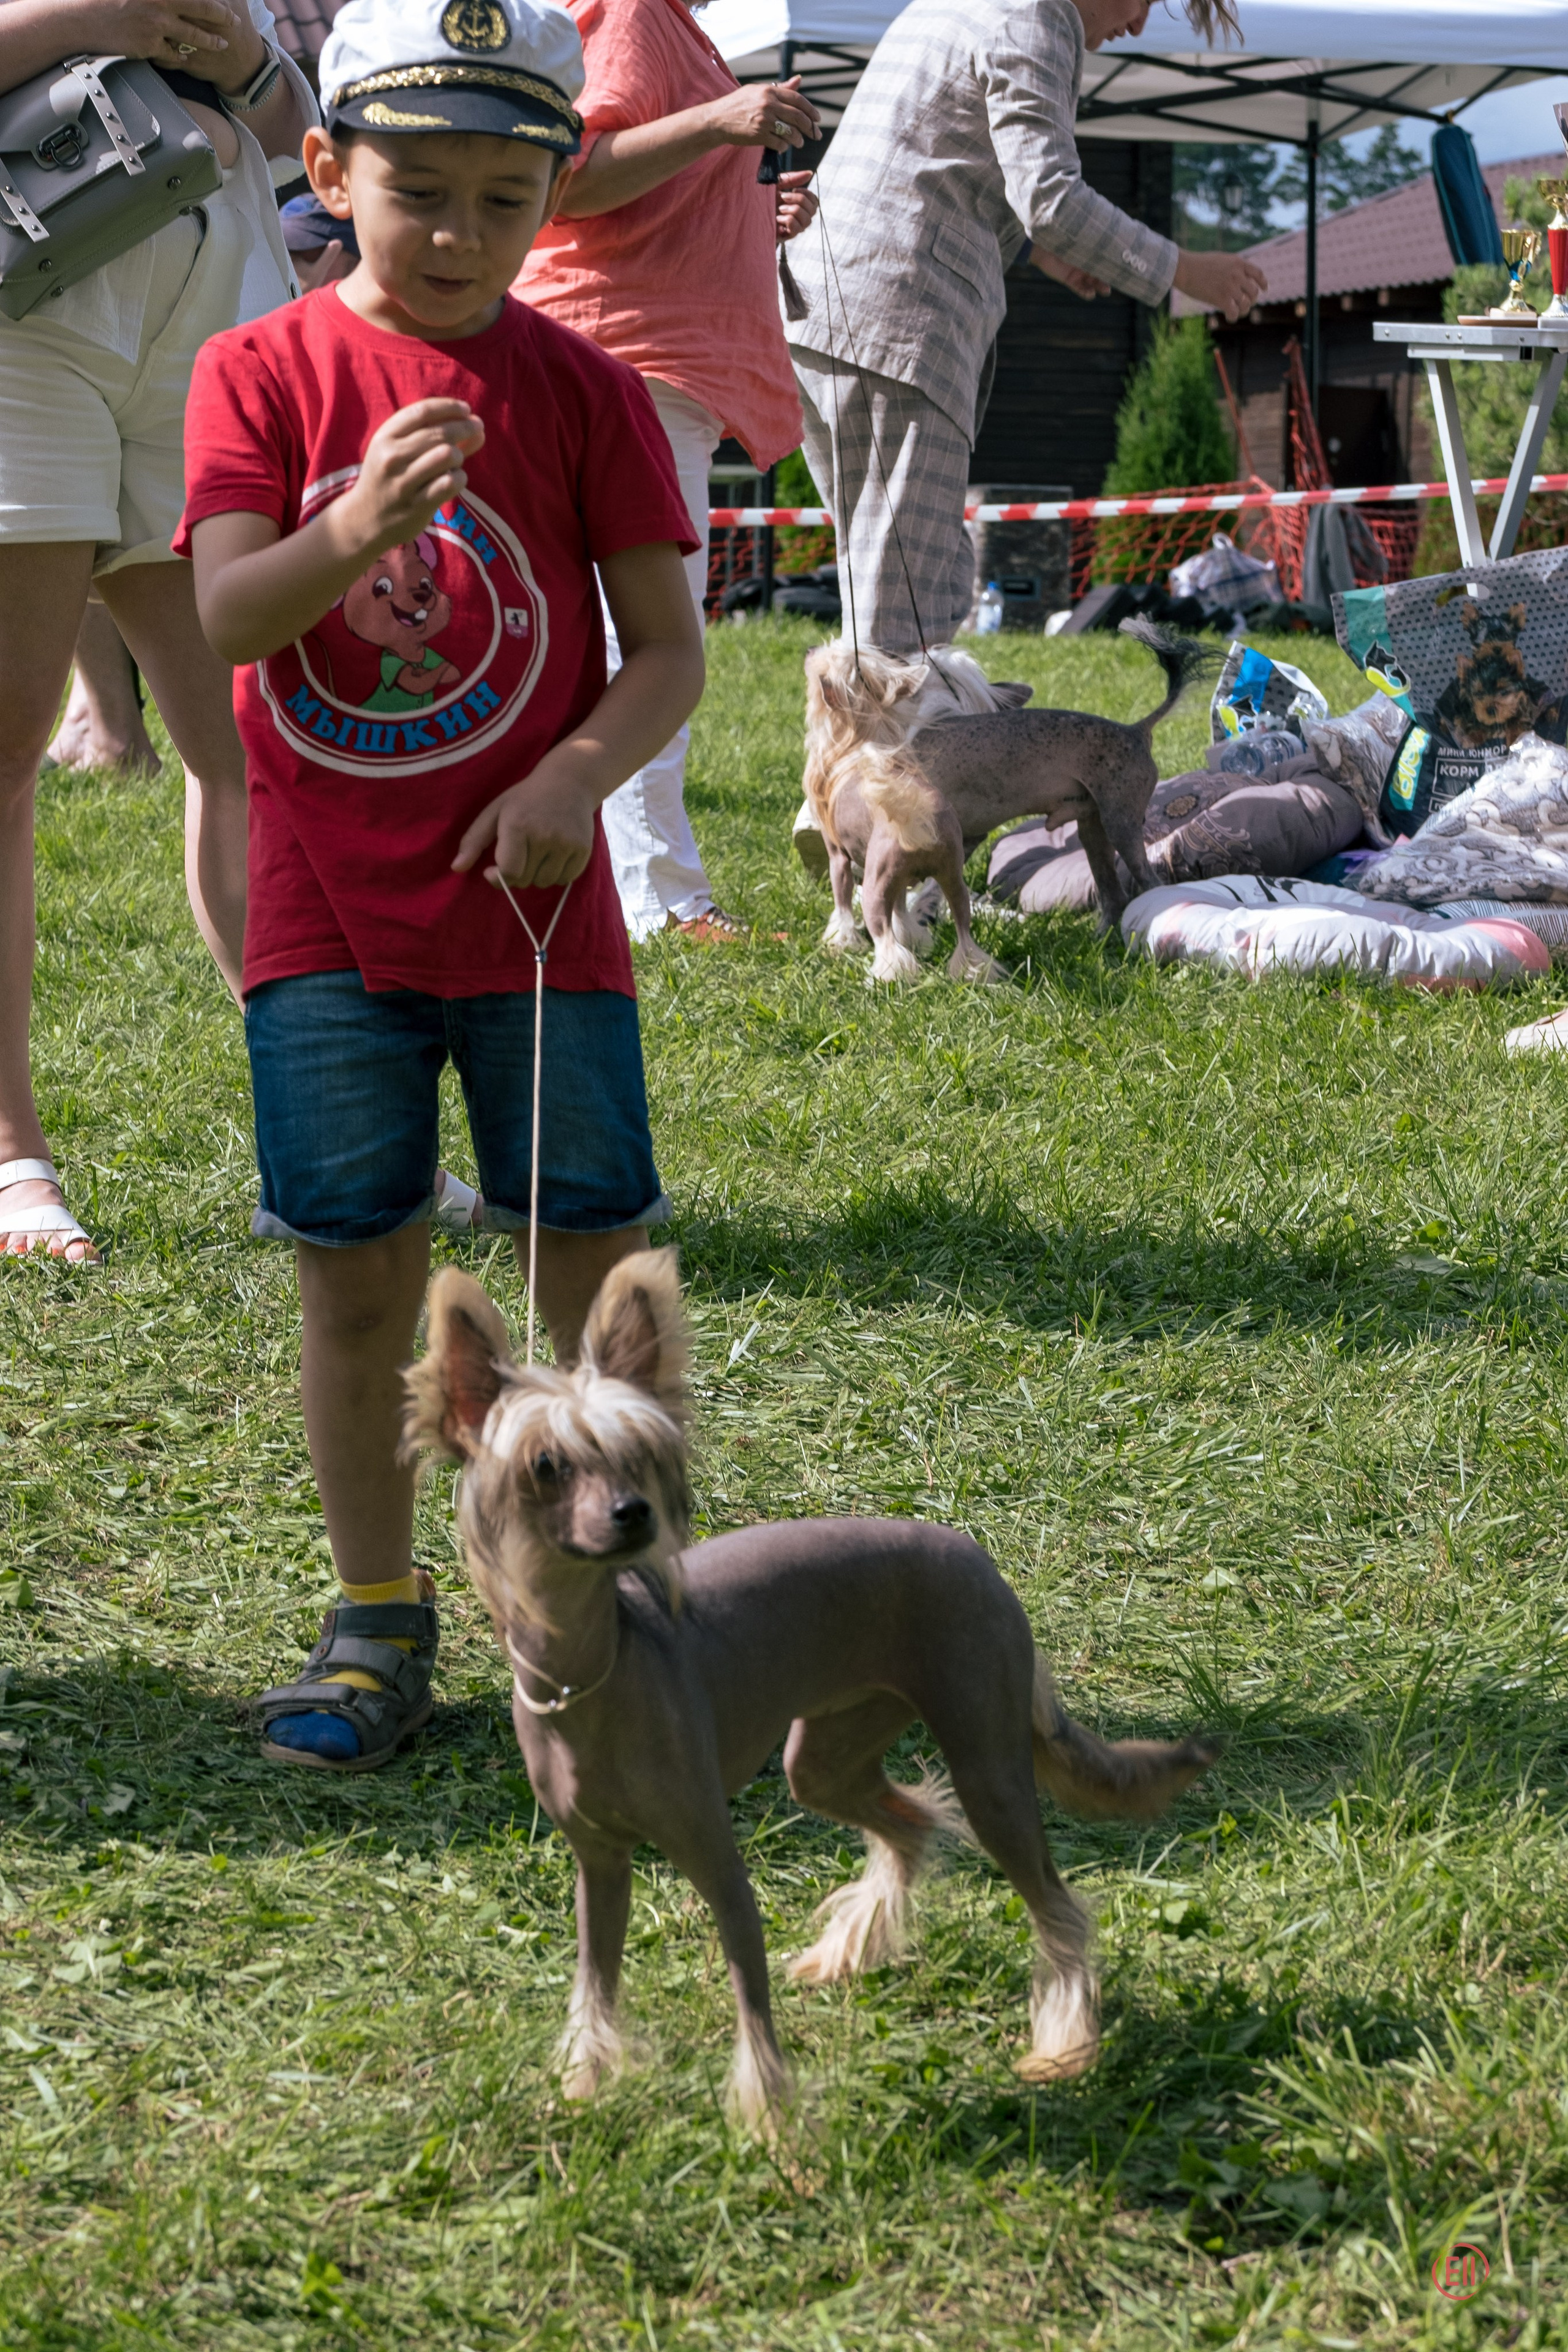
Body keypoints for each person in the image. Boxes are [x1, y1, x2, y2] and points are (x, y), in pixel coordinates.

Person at [180, 0, 704, 1771]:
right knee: (358, 1274)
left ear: (556, 192)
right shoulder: (255, 373)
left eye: (506, 196)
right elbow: (231, 618)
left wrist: (573, 772)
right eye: (420, 192)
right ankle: (379, 1616)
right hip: (327, 917)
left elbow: (670, 659)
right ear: (327, 170)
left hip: (543, 923)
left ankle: (625, 1601)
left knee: (591, 1248)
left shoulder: (589, 391)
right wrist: (354, 535)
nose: (464, 235)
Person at [0, 0, 313, 1263]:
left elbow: (307, 132)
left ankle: (317, 1131)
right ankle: (11, 1157)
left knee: (256, 749)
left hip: (211, 323)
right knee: (5, 758)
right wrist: (111, 16)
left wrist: (238, 58)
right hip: (23, 326)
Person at [783, 0, 1269, 655]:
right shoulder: (1034, 17)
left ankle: (857, 751)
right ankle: (890, 756)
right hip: (897, 326)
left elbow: (932, 149)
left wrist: (1038, 252)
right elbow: (1052, 199)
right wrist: (1184, 269)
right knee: (907, 610)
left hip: (825, 311)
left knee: (885, 582)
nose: (1138, 26)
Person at [516, 0, 819, 944]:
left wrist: (749, 204)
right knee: (649, 649)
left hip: (627, 365)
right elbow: (568, 177)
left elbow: (645, 191)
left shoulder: (669, 24)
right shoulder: (637, 9)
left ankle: (612, 886)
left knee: (603, 645)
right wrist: (721, 124)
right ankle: (659, 903)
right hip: (624, 368)